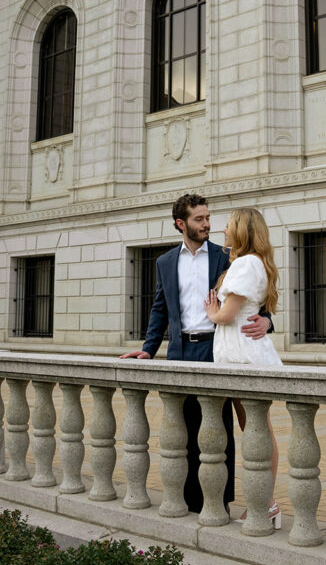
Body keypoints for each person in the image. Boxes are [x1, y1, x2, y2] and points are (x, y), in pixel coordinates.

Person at [120, 194, 271, 513]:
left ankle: (219, 503)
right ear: (181, 224)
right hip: (179, 350)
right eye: (199, 219)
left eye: (208, 217)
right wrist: (149, 350)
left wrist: (268, 320)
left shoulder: (227, 256)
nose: (207, 224)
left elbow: (258, 293)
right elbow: (159, 309)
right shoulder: (164, 263)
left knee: (219, 432)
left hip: (216, 349)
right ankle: (188, 502)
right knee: (183, 430)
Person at [203, 207, 282, 529]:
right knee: (255, 431)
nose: (223, 229)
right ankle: (264, 502)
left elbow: (226, 316)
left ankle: (266, 503)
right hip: (241, 354)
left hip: (242, 357)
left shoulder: (247, 264)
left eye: (229, 225)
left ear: (242, 230)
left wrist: (211, 311)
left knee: (257, 432)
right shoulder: (251, 263)